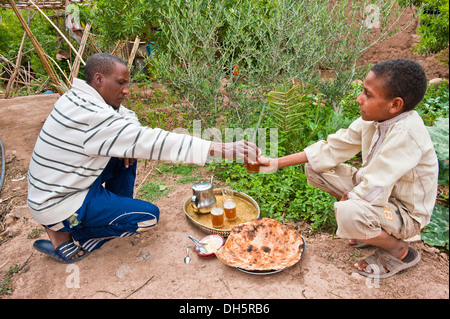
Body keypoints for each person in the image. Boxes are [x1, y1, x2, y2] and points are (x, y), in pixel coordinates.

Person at [28, 53, 259, 263]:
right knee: (148, 217)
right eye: (121, 83)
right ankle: (69, 233)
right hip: (58, 200)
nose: (127, 90)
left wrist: (129, 146)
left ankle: (93, 216)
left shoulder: (78, 98)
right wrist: (220, 148)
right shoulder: (94, 116)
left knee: (127, 153)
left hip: (65, 184)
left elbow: (128, 117)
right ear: (99, 79)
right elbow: (157, 141)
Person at [257, 58, 439, 279]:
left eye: (368, 94)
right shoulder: (375, 119)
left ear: (395, 105)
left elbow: (377, 183)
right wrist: (275, 162)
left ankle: (399, 251)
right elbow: (331, 149)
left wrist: (352, 200)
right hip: (380, 195)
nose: (359, 99)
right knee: (316, 169)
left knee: (348, 212)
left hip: (405, 215)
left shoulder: (407, 133)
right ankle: (369, 228)